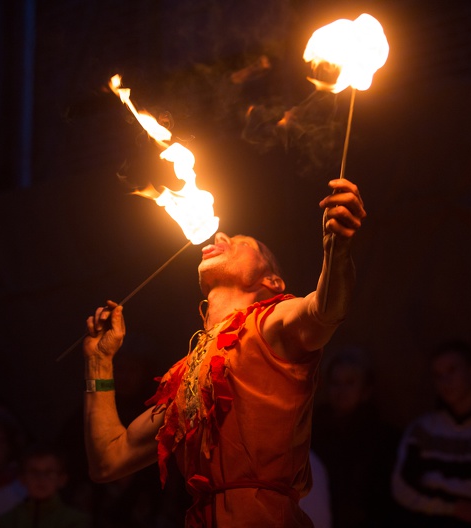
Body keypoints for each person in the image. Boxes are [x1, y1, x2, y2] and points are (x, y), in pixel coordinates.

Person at [82, 178, 366, 527]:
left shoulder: (273, 321)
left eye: (242, 242)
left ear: (272, 282)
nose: (219, 237)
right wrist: (99, 362)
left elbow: (326, 310)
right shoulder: (186, 378)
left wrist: (337, 247)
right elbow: (108, 460)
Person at [391, 340, 471, 528]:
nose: (445, 381)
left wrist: (433, 480)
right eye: (438, 375)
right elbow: (401, 488)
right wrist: (450, 507)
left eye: (452, 371)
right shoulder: (422, 429)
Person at [310, 348, 400, 528]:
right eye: (335, 383)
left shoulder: (382, 438)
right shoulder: (312, 433)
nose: (341, 390)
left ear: (366, 390)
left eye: (349, 383)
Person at [0, 446, 91, 528]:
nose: (41, 479)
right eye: (34, 472)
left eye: (49, 473)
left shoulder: (75, 521)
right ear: (22, 478)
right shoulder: (7, 521)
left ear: (62, 479)